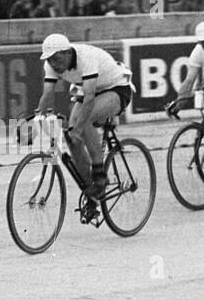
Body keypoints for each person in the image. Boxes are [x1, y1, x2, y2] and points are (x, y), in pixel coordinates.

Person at [34, 34, 134, 201]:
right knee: (72, 137)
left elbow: (89, 99)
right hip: (89, 91)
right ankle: (91, 190)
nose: (54, 65)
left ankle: (99, 175)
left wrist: (78, 129)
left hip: (116, 89)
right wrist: (37, 118)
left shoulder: (85, 57)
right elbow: (47, 94)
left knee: (82, 121)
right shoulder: (51, 64)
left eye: (57, 59)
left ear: (67, 53)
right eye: (50, 60)